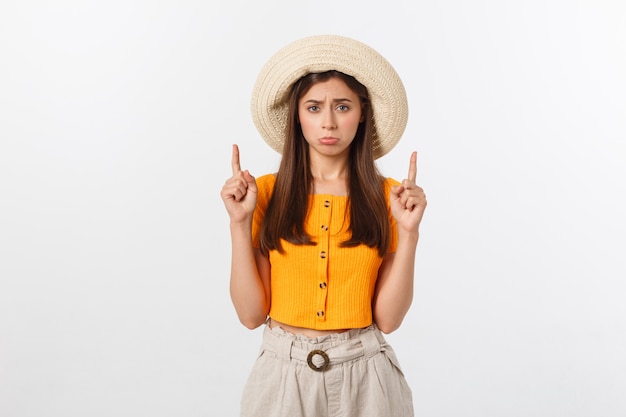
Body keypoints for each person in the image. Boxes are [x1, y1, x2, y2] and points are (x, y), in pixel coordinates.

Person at [220, 34, 427, 417]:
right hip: (282, 376)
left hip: (367, 379)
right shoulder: (265, 194)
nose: (328, 122)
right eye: (314, 107)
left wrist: (410, 233)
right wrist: (239, 223)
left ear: (362, 112)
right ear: (297, 115)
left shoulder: (390, 199)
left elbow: (388, 319)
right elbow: (251, 315)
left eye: (342, 107)